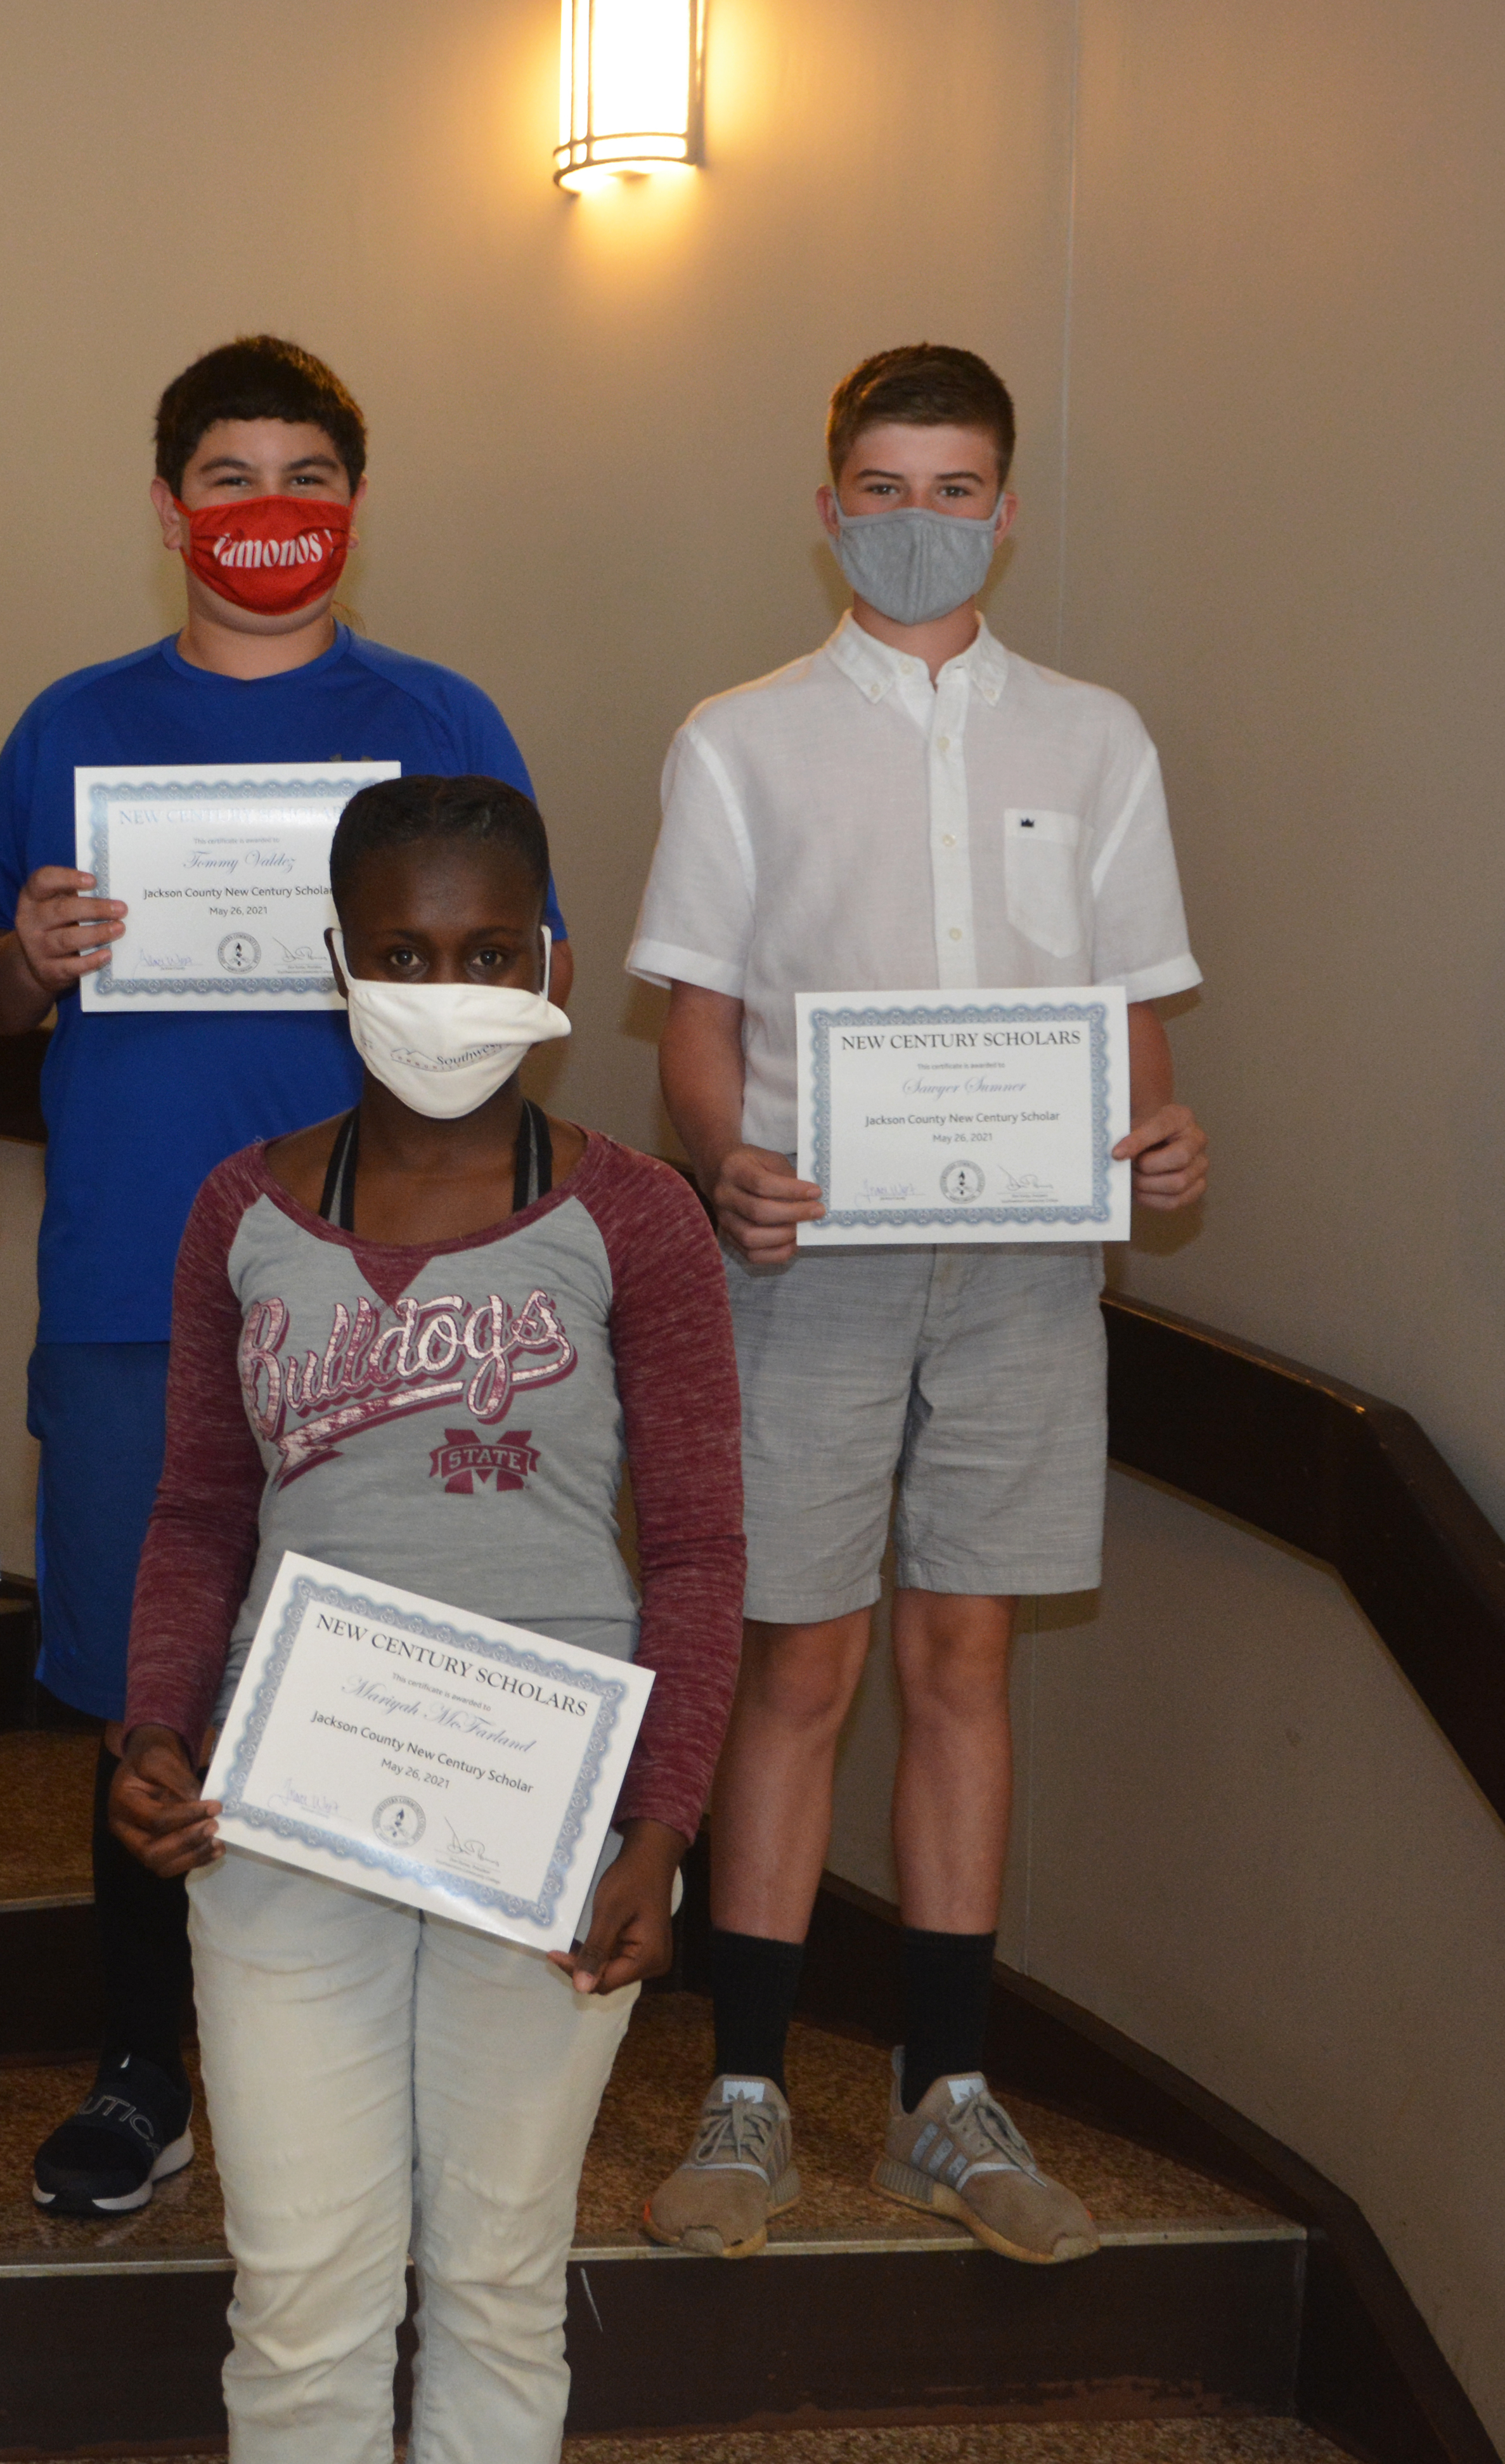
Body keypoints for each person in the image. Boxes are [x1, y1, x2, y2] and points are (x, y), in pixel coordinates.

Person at [628, 344, 1209, 2267]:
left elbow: (1132, 1027)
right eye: (881, 485)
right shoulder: (740, 738)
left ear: (1006, 509)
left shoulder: (1097, 740)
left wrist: (1162, 1146)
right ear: (827, 508)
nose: (915, 522)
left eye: (954, 488)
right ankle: (750, 2086)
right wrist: (727, 1160)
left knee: (968, 1656)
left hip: (1030, 1272)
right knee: (802, 1665)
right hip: (806, 1267)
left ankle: (944, 2101)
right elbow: (695, 1026)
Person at [0, 335, 570, 2217]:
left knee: (392, 1667)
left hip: (397, 1288)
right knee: (146, 1687)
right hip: (130, 1288)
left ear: (354, 505)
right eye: (226, 475)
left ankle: (378, 2081)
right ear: (169, 510)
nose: (266, 508)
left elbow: (529, 990)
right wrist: (35, 951)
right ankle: (144, 2070)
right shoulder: (66, 727)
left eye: (302, 472)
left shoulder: (444, 717)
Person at [112, 774, 741, 2463]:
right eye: (404, 948)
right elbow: (194, 1516)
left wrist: (661, 1824)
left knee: (495, 2282)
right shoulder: (239, 1213)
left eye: (483, 951)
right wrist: (156, 1728)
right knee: (303, 2294)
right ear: (340, 959)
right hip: (281, 1812)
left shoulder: (635, 1219)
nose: (446, 988)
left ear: (549, 956)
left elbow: (694, 1553)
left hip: (547, 1822)